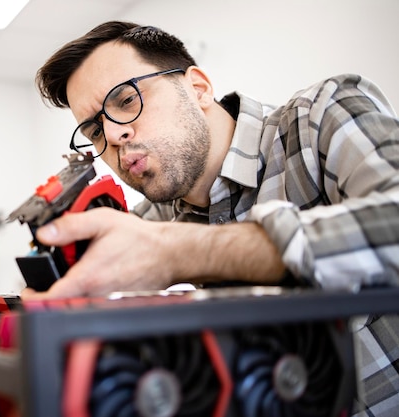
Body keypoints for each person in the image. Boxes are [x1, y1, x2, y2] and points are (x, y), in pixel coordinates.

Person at [21, 21, 399, 415]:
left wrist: (182, 253)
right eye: (94, 130)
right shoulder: (153, 220)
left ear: (198, 88)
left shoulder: (319, 117)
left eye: (126, 100)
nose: (113, 136)